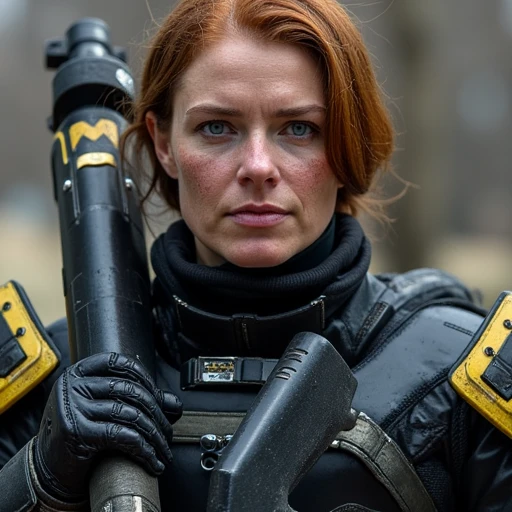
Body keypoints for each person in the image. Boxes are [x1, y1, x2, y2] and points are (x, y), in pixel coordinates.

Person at [0, 0, 511, 510]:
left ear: (345, 141)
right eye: (217, 127)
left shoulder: (460, 376)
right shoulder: (63, 383)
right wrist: (38, 475)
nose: (258, 166)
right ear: (162, 143)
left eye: (299, 128)